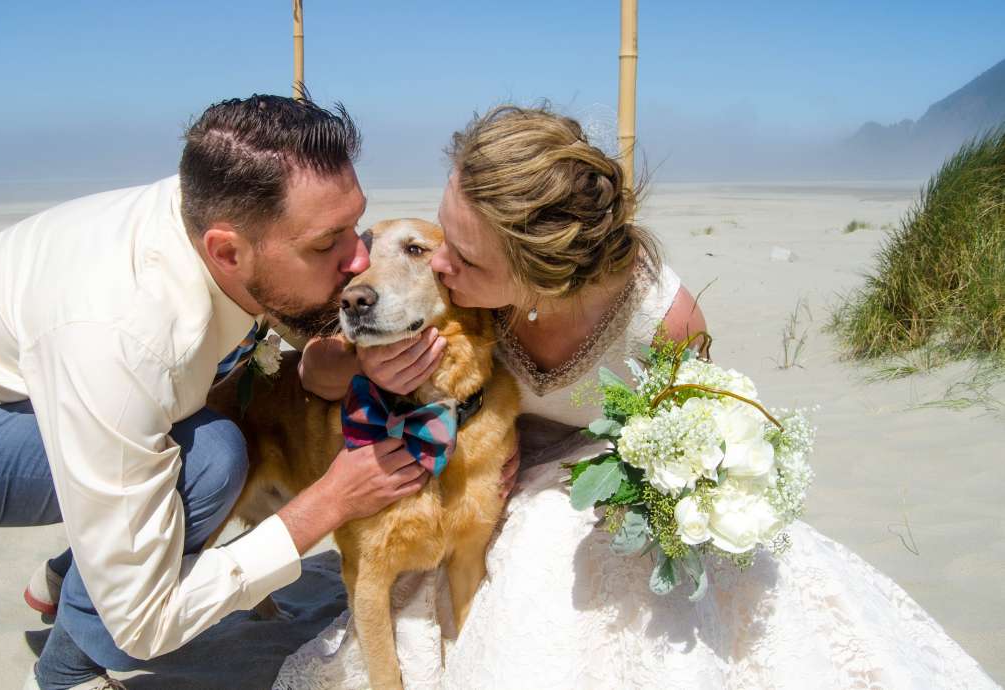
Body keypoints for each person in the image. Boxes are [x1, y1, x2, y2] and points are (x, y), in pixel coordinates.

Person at [279, 105, 999, 689]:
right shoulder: (466, 296)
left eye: (461, 255)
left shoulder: (664, 322)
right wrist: (368, 372)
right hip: (493, 473)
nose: (439, 263)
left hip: (592, 483)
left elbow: (690, 434)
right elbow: (318, 370)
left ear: (535, 274)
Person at [0, 95, 438, 690]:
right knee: (210, 460)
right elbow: (144, 621)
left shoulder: (228, 209)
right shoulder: (120, 338)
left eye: (355, 225)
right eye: (327, 244)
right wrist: (328, 502)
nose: (359, 260)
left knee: (185, 454)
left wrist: (331, 367)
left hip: (45, 385)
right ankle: (63, 676)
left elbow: (291, 337)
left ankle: (66, 575)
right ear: (226, 251)